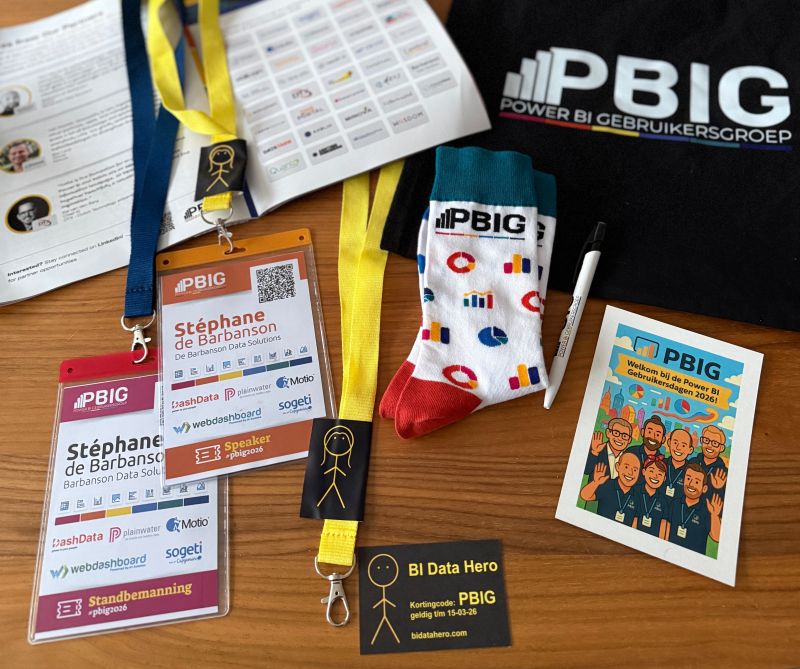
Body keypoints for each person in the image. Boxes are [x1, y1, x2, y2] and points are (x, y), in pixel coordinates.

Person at [664, 463, 723, 554]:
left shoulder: (707, 511)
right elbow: (667, 529)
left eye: (697, 482)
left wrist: (714, 515)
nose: (691, 484)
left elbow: (717, 537)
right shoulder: (675, 503)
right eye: (688, 479)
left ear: (704, 488)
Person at [580, 451, 640, 526]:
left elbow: (634, 523)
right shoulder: (608, 485)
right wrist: (595, 482)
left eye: (635, 470)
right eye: (626, 467)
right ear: (617, 467)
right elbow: (585, 496)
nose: (630, 473)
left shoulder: (637, 497)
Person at [632, 454, 670, 538]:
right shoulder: (635, 491)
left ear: (664, 478)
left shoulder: (663, 501)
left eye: (660, 474)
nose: (655, 476)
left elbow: (663, 525)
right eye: (651, 471)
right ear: (643, 472)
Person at [688, 425, 728, 496]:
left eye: (715, 443)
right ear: (701, 441)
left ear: (721, 448)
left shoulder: (723, 472)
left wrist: (719, 488)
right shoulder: (692, 462)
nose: (709, 445)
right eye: (706, 440)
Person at [664, 428, 693, 500]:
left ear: (690, 450)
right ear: (669, 443)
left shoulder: (691, 472)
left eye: (683, 445)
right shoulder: (661, 464)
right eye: (675, 443)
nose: (678, 448)